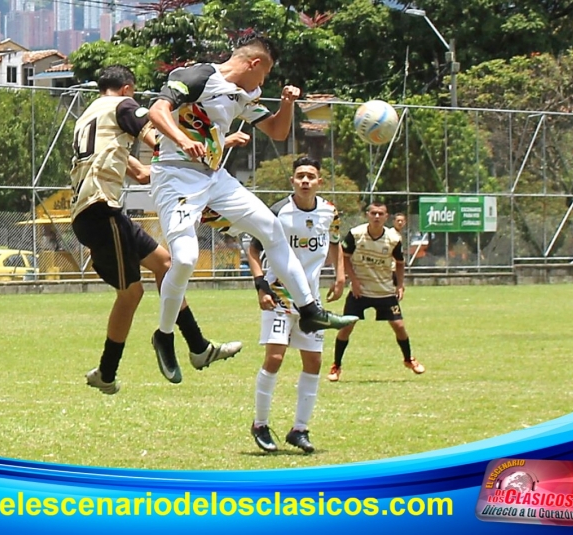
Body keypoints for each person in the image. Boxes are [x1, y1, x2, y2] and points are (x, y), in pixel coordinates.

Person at [147, 32, 357, 384]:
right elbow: (157, 110)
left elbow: (276, 130)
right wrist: (183, 141)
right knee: (183, 259)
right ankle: (164, 336)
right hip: (174, 177)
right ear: (253, 64)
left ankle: (309, 310)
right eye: (265, 74)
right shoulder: (197, 76)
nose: (265, 83)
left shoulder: (246, 95)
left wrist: (287, 103)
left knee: (271, 228)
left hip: (215, 177)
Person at [69, 65, 242, 395]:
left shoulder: (90, 117)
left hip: (98, 210)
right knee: (131, 293)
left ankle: (198, 347)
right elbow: (154, 132)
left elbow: (144, 173)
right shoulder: (123, 106)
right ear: (127, 88)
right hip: (100, 211)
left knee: (165, 265)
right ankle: (106, 372)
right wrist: (209, 142)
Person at [247, 157, 346, 454]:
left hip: (311, 302)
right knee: (275, 358)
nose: (305, 180)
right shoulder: (278, 211)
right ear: (292, 181)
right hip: (279, 296)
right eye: (300, 175)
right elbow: (253, 248)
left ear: (319, 181)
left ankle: (299, 429)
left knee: (313, 363)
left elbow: (335, 241)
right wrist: (260, 286)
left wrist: (340, 275)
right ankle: (260, 424)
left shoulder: (329, 212)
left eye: (310, 176)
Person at [326, 202, 425, 382]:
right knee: (346, 326)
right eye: (373, 213)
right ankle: (336, 366)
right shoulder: (356, 234)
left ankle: (409, 359)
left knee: (399, 326)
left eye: (381, 214)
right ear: (367, 215)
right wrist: (354, 282)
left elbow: (400, 263)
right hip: (360, 292)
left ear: (386, 217)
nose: (377, 217)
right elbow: (345, 257)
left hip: (384, 291)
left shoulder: (393, 239)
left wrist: (400, 285)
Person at [390, 212, 407, 287]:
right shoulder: (391, 234)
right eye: (398, 221)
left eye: (402, 221)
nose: (400, 223)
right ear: (393, 222)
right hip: (391, 268)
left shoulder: (399, 234)